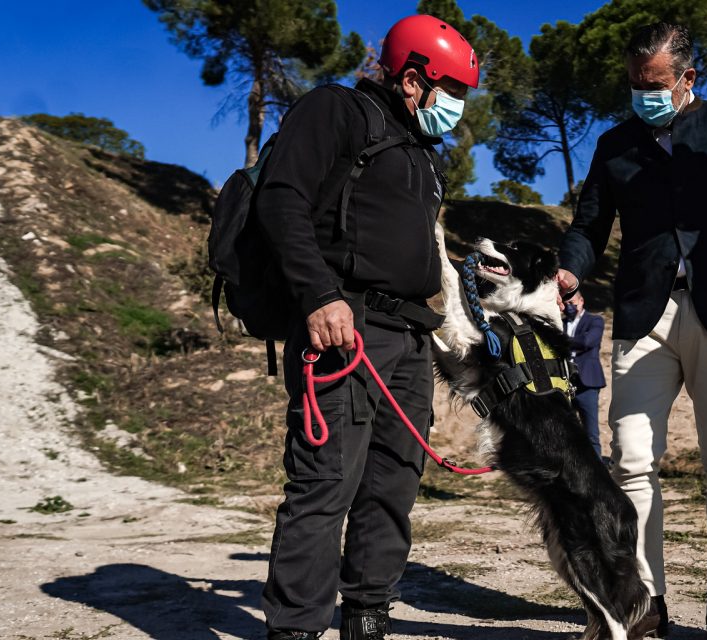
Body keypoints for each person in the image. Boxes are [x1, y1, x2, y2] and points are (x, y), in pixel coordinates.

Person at [556, 22, 707, 640]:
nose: (642, 92)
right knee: (631, 460)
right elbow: (588, 226)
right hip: (643, 316)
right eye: (635, 83)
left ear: (689, 77)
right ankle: (645, 605)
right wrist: (569, 269)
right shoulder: (613, 144)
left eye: (653, 83)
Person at [255, 14, 478, 640]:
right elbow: (281, 200)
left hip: (408, 341)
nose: (458, 107)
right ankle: (296, 628)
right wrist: (320, 296)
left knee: (393, 484)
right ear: (413, 79)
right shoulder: (336, 111)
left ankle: (368, 615)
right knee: (326, 482)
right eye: (454, 91)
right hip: (343, 330)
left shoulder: (422, 155)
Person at [564, 291, 608, 460]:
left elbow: (588, 341)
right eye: (566, 303)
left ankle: (598, 472)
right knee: (566, 433)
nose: (569, 307)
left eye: (573, 303)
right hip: (565, 383)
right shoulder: (559, 323)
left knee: (591, 433)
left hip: (587, 383)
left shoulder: (595, 320)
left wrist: (561, 340)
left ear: (581, 301)